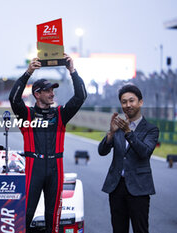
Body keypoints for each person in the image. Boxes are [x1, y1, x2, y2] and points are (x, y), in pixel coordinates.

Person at [9, 54, 87, 232]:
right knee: (26, 215)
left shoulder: (60, 114)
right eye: (48, 90)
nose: (52, 94)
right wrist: (28, 72)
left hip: (55, 167)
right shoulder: (26, 115)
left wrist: (72, 71)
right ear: (37, 94)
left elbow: (81, 96)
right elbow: (13, 98)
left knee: (53, 218)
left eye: (53, 90)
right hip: (33, 166)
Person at [98, 84, 159, 233]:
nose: (128, 105)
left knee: (141, 229)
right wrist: (111, 133)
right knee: (118, 229)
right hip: (116, 186)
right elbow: (102, 151)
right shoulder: (118, 126)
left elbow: (144, 152)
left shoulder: (151, 129)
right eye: (124, 102)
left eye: (131, 101)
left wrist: (128, 132)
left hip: (139, 188)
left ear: (140, 102)